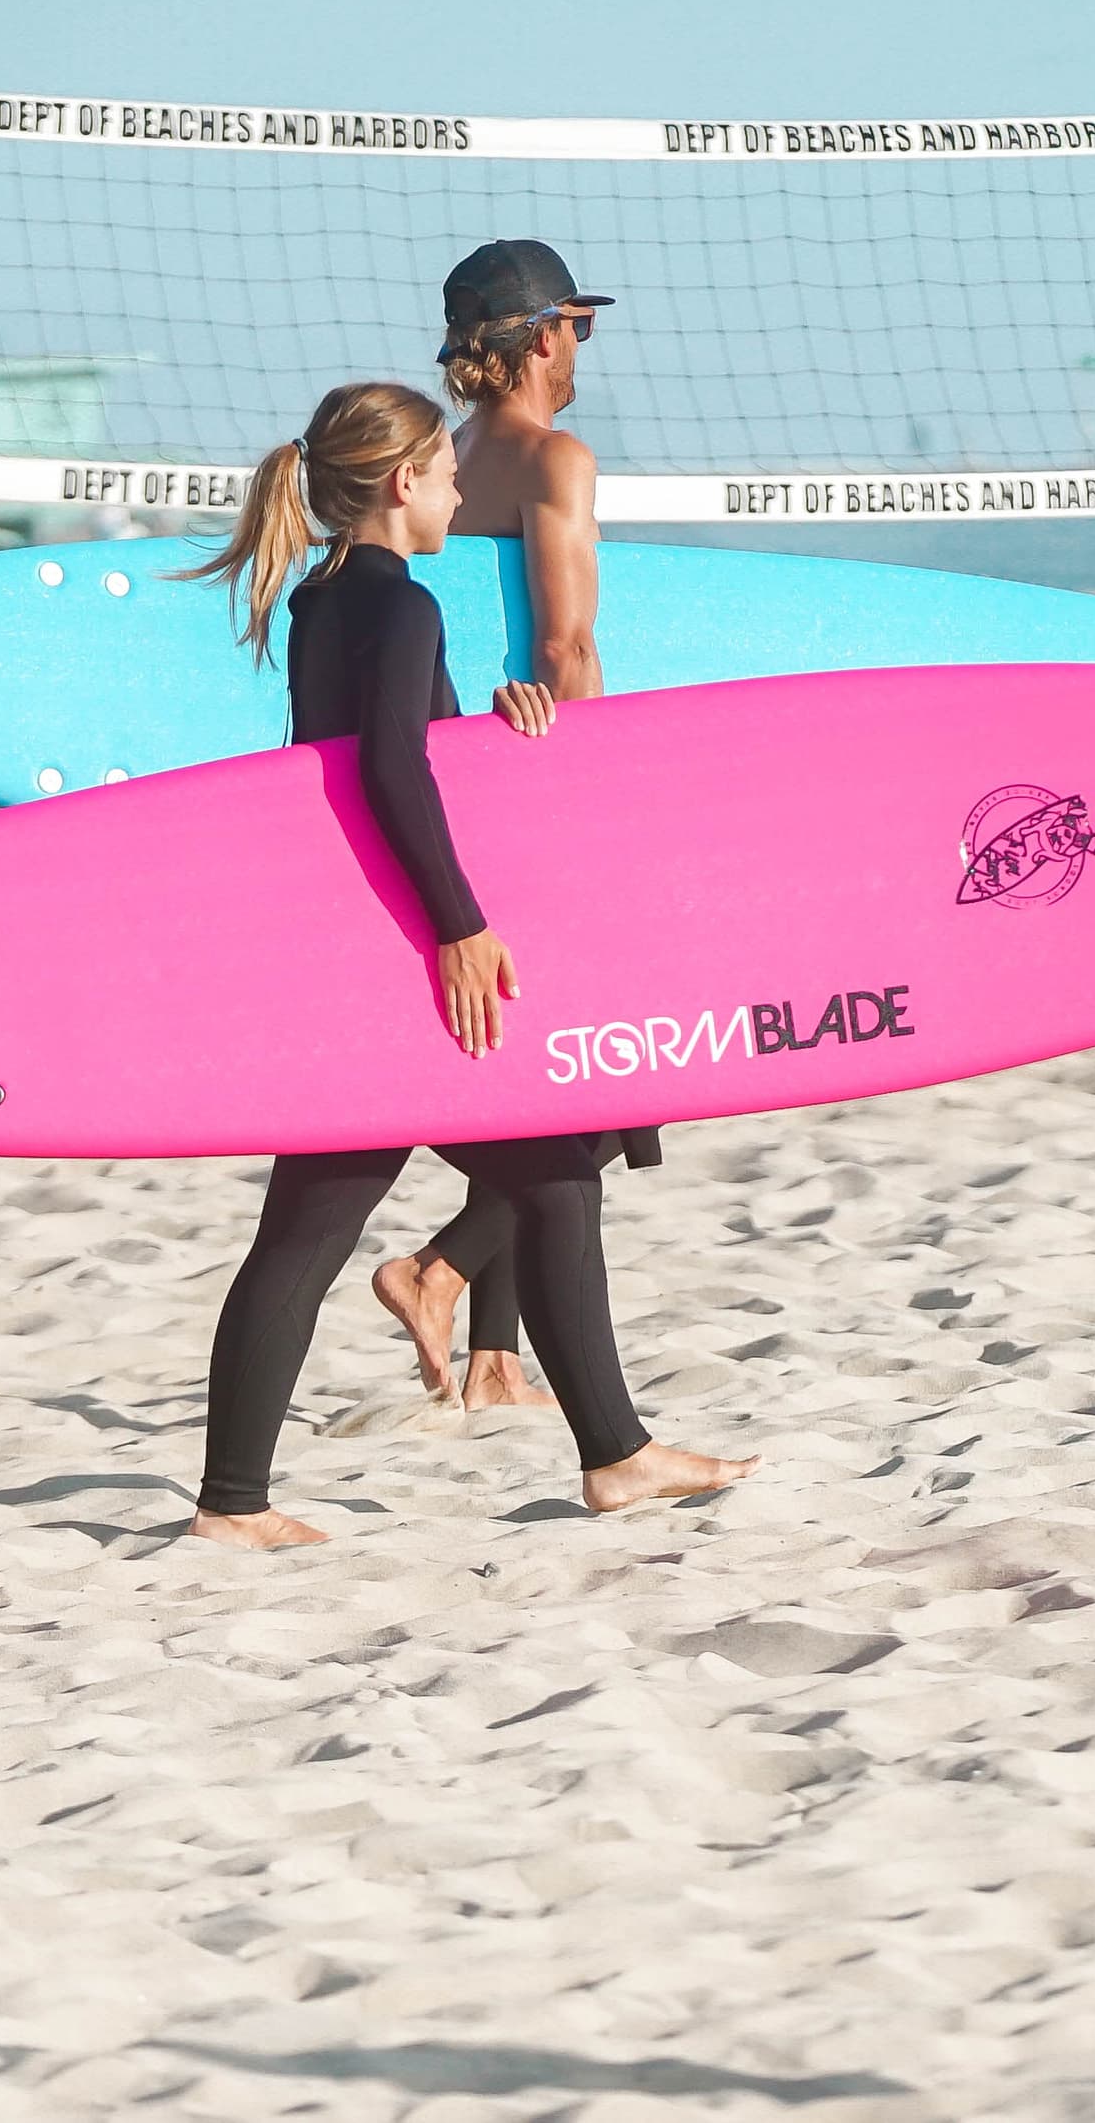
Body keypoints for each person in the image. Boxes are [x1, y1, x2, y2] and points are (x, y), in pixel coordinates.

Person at [172, 380, 753, 1548]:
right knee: (546, 1175)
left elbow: (371, 758)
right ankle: (615, 1456)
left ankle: (237, 1503)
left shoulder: (324, 602)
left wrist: (494, 730)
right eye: (445, 474)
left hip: (347, 943)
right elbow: (389, 776)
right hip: (402, 955)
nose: (455, 491)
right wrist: (459, 927)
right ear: (402, 484)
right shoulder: (403, 608)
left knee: (327, 1223)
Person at [365, 242, 661, 1409]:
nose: (583, 348)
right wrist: (595, 791)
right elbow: (564, 646)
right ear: (545, 336)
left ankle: (495, 1355)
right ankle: (438, 1270)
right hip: (540, 766)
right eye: (579, 327)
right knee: (611, 1076)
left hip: (459, 767)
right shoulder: (555, 456)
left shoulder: (452, 459)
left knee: (525, 1063)